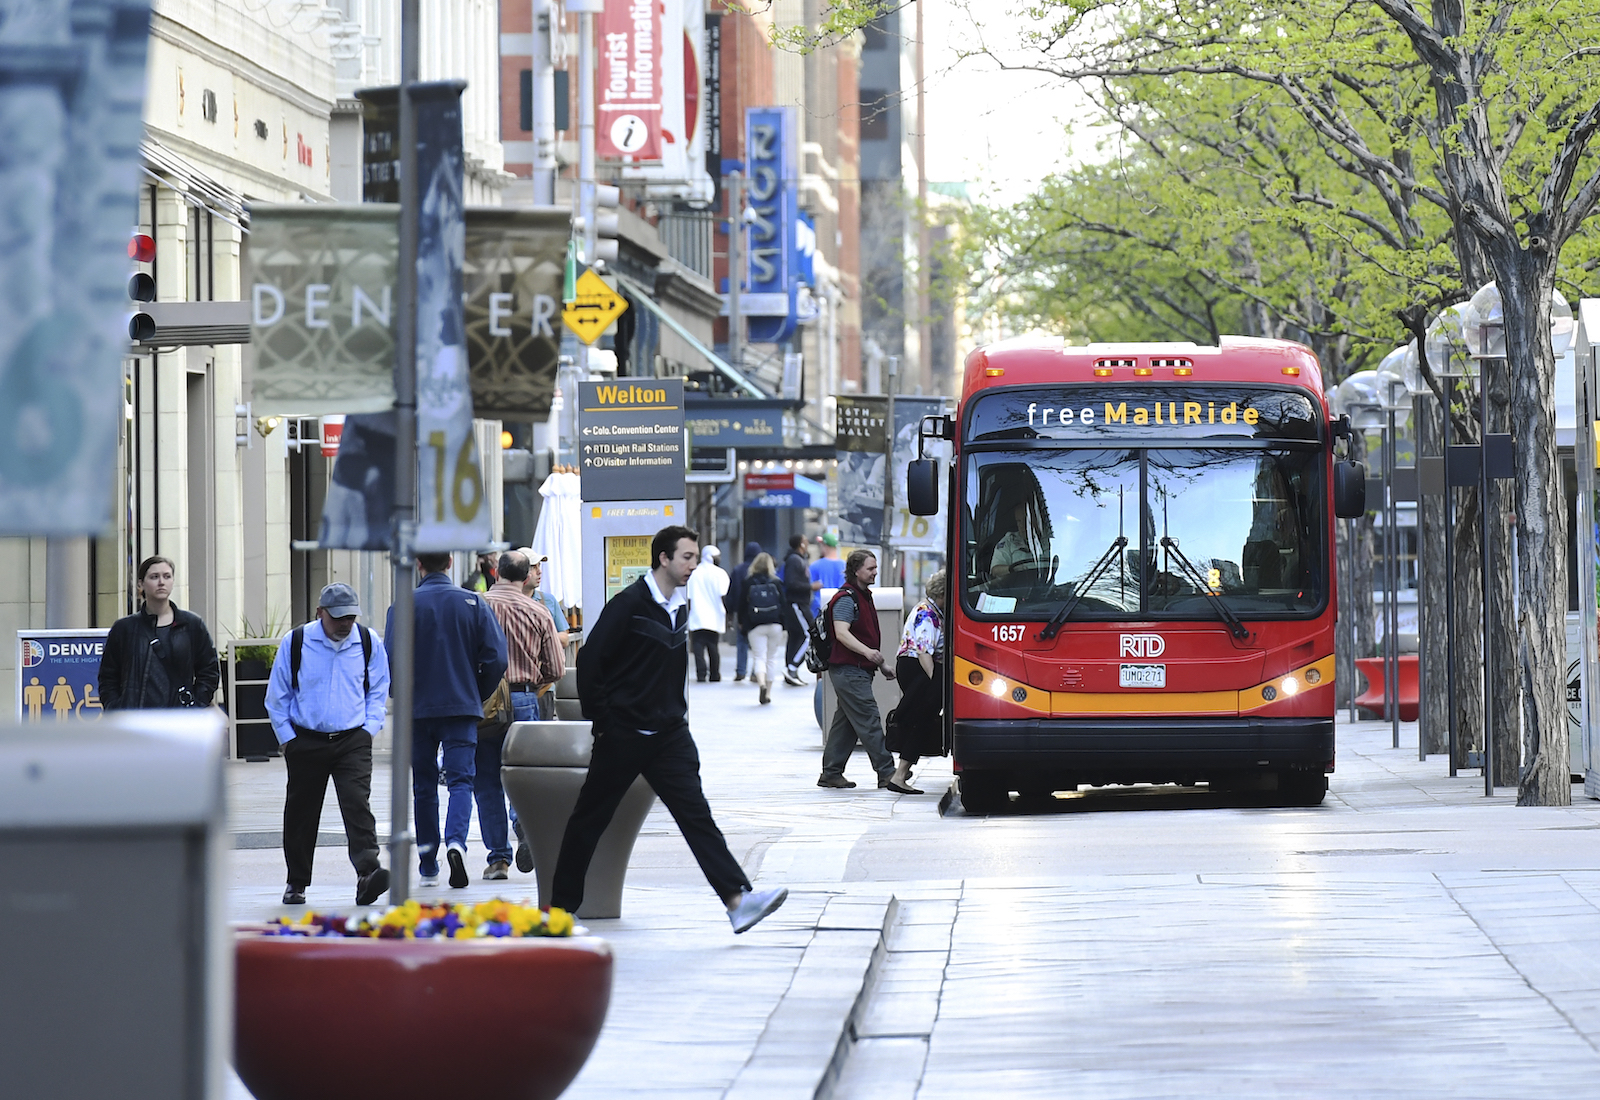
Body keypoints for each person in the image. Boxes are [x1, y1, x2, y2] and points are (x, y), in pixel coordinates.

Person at [552, 524, 788, 933]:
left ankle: (737, 900)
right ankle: (558, 912)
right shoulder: (629, 603)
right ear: (664, 558)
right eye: (687, 558)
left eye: (695, 558)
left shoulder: (679, 605)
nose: (693, 565)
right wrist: (605, 723)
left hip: (668, 736)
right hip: (624, 734)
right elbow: (590, 663)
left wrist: (677, 720)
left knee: (697, 817)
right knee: (589, 820)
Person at [266, 583, 392, 906]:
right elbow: (277, 696)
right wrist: (288, 740)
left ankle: (368, 873)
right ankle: (296, 881)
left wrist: (369, 730)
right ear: (320, 613)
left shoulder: (367, 642)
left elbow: (379, 688)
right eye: (337, 618)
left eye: (350, 617)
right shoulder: (296, 642)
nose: (345, 624)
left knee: (357, 804)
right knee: (301, 813)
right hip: (306, 740)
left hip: (353, 739)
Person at [387, 552, 508, 890]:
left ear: (419, 565)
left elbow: (390, 660)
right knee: (461, 781)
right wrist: (476, 690)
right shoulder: (472, 602)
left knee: (423, 785)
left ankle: (428, 862)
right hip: (461, 706)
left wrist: (402, 693)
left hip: (418, 710)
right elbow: (497, 656)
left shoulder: (402, 605)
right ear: (451, 563)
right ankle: (457, 841)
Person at [478, 549, 563, 880]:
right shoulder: (538, 611)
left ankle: (498, 858)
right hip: (525, 698)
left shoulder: (477, 606)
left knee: (485, 778)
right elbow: (555, 668)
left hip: (483, 701)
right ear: (526, 576)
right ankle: (523, 826)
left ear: (496, 572)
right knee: (522, 774)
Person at [818, 549, 899, 790]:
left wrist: (881, 664)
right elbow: (841, 633)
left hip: (856, 669)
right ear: (856, 571)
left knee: (846, 724)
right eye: (870, 568)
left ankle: (831, 772)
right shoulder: (847, 598)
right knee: (868, 719)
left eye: (875, 568)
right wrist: (868, 653)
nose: (875, 572)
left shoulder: (863, 596)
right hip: (849, 670)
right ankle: (887, 772)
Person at [99, 555, 220, 711]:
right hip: (136, 721)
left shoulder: (191, 625)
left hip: (179, 721)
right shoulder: (125, 629)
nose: (161, 582)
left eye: (167, 576)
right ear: (141, 583)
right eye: (154, 577)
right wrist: (115, 708)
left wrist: (196, 706)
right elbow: (108, 677)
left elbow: (209, 671)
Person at [885, 571, 947, 794]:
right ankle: (899, 776)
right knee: (920, 721)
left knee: (921, 720)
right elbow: (923, 651)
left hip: (915, 669)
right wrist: (934, 681)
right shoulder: (927, 613)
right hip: (918, 669)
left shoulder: (932, 611)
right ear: (943, 593)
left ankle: (901, 773)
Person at [739, 552, 786, 705]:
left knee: (759, 657)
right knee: (771, 658)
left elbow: (742, 605)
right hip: (775, 624)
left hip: (755, 625)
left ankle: (761, 684)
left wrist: (742, 624)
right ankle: (769, 693)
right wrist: (783, 623)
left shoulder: (748, 582)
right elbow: (784, 604)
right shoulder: (776, 582)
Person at [687, 544, 730, 682]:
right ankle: (714, 674)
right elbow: (724, 594)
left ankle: (701, 673)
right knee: (713, 646)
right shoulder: (720, 573)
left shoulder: (694, 572)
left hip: (698, 614)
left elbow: (688, 595)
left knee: (698, 646)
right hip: (715, 615)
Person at [726, 540, 762, 681]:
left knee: (742, 642)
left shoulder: (738, 570)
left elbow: (732, 593)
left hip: (741, 612)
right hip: (758, 612)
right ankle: (755, 672)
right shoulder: (761, 570)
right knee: (758, 644)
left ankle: (741, 670)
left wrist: (730, 612)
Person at [781, 534, 814, 686]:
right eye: (806, 541)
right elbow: (792, 583)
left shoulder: (799, 559)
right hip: (798, 603)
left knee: (795, 637)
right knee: (811, 635)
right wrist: (810, 587)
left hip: (799, 603)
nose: (808, 543)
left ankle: (790, 669)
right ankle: (793, 667)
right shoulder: (795, 560)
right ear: (801, 544)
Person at [810, 531, 845, 617]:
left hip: (819, 608)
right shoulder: (845, 566)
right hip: (840, 608)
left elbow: (808, 586)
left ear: (825, 546)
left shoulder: (815, 566)